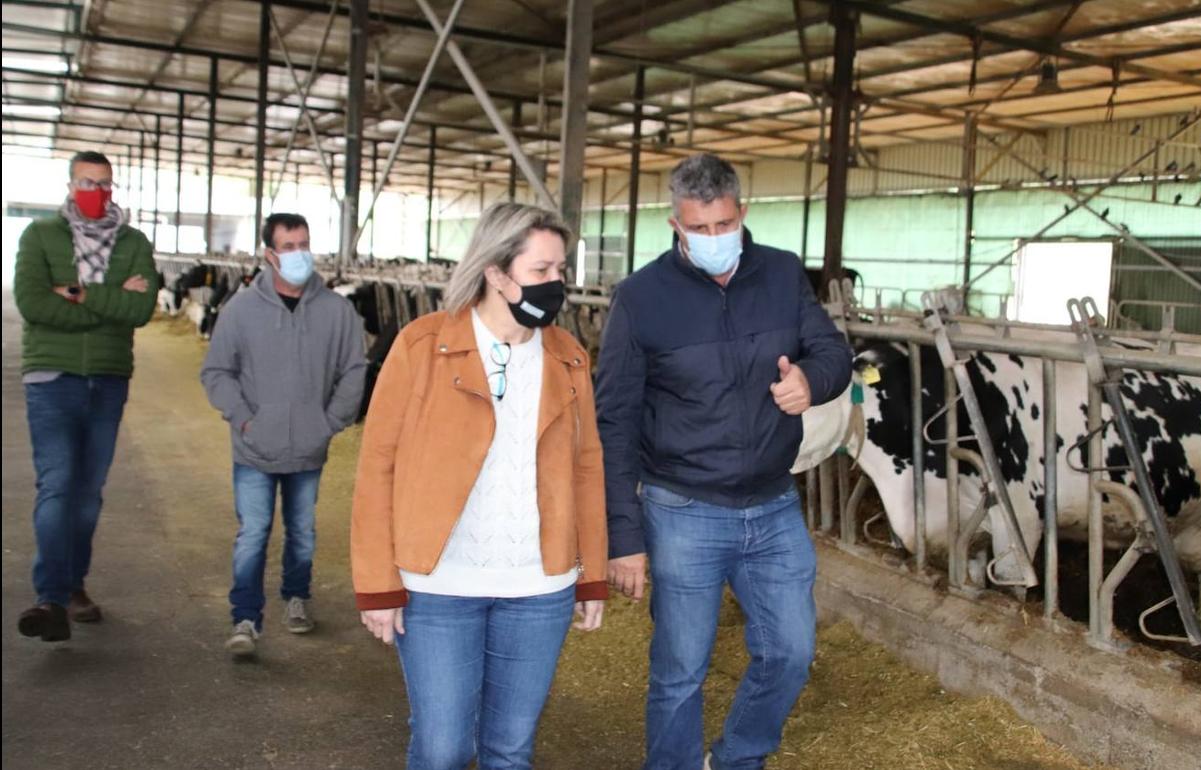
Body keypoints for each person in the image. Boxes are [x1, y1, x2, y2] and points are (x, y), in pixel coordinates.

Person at [595, 153, 854, 770]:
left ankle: (738, 757)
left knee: (791, 651)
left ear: (743, 213)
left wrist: (811, 382)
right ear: (674, 225)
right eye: (698, 229)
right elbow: (615, 419)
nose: (714, 239)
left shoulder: (783, 274)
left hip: (773, 503)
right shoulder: (640, 298)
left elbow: (833, 351)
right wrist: (622, 536)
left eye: (723, 225)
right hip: (683, 506)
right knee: (681, 669)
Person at [352, 202, 608, 770]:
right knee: (443, 748)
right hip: (438, 585)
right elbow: (377, 465)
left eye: (561, 270)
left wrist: (590, 575)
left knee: (510, 750)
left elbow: (587, 466)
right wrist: (377, 583)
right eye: (541, 271)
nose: (557, 283)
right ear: (496, 272)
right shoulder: (422, 346)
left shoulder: (567, 357)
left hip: (538, 587)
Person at [201, 213, 366, 657]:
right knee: (253, 532)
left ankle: (297, 596)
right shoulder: (240, 310)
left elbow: (355, 369)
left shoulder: (337, 310)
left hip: (309, 446)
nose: (299, 254)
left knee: (303, 530)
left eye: (304, 244)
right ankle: (245, 618)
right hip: (254, 447)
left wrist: (331, 421)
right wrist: (243, 417)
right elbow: (216, 371)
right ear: (270, 254)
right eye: (289, 247)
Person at [13, 150, 159, 643]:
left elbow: (140, 309)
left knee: (88, 492)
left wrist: (78, 294)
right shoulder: (40, 235)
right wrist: (109, 301)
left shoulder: (135, 242)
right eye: (87, 182)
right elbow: (32, 303)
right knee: (57, 484)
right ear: (71, 185)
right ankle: (51, 597)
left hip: (108, 377)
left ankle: (74, 585)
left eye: (104, 183)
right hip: (51, 378)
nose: (97, 191)